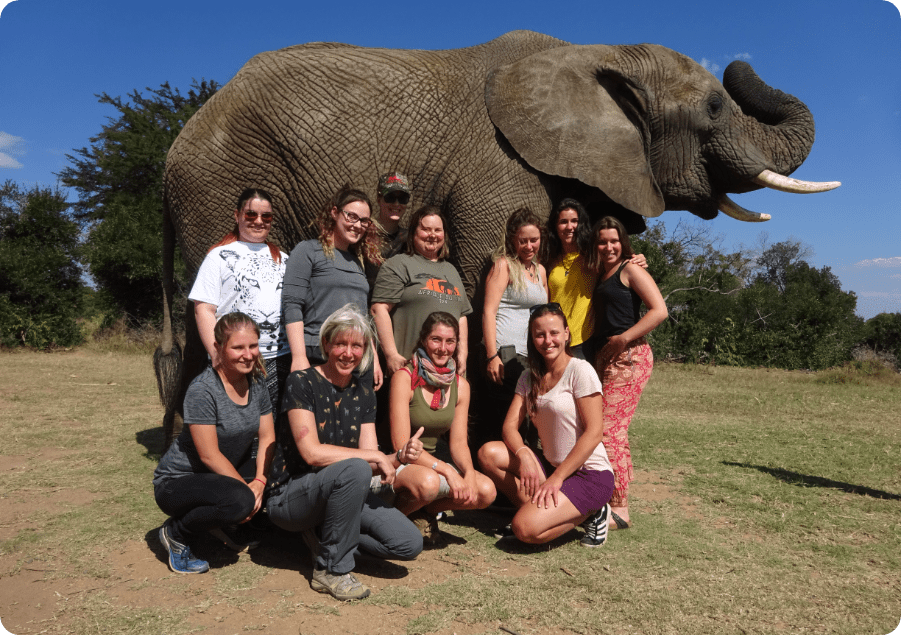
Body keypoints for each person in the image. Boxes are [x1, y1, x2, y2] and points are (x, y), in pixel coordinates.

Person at [266, 304, 423, 601]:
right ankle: (331, 570)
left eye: (356, 345)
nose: (348, 353)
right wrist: (374, 458)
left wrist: (399, 457)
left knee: (408, 543)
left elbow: (371, 458)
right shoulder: (301, 382)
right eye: (340, 344)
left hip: (342, 492)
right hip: (291, 495)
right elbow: (311, 453)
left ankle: (326, 540)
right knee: (357, 468)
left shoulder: (363, 394)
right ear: (326, 344)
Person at [478, 303, 615, 548]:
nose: (547, 340)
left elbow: (595, 433)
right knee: (488, 453)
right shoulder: (528, 377)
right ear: (532, 338)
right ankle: (540, 509)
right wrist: (525, 455)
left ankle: (593, 513)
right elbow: (509, 427)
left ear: (566, 333)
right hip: (552, 468)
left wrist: (558, 479)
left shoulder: (580, 371)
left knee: (524, 529)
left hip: (589, 474)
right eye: (540, 334)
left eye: (554, 333)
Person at [154, 312, 276, 573]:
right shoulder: (203, 389)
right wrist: (246, 491)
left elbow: (268, 437)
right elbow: (209, 455)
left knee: (276, 471)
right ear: (218, 348)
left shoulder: (257, 381)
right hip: (179, 482)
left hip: (217, 474)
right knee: (240, 501)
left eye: (253, 346)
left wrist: (260, 482)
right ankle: (176, 532)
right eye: (238, 347)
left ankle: (229, 525)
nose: (248, 354)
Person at [585, 217, 668, 531]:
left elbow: (659, 310)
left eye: (614, 241)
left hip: (630, 358)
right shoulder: (602, 272)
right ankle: (606, 497)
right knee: (605, 430)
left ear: (623, 243)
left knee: (610, 432)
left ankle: (620, 508)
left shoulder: (631, 269)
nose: (608, 247)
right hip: (608, 360)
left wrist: (623, 338)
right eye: (602, 241)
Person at [389, 312, 496, 541]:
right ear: (423, 340)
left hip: (433, 465)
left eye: (450, 341)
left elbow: (458, 443)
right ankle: (388, 520)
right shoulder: (405, 377)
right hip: (403, 462)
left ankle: (423, 514)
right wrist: (447, 470)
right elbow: (401, 445)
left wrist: (467, 474)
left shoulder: (460, 385)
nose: (443, 348)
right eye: (436, 339)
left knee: (485, 491)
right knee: (429, 484)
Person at [189, 189, 290, 424]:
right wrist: (217, 354)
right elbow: (203, 308)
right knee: (236, 428)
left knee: (273, 432)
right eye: (251, 214)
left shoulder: (284, 259)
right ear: (237, 215)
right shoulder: (218, 256)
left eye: (266, 217)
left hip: (279, 357)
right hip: (235, 359)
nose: (258, 221)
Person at [282, 185, 385, 389]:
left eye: (364, 221)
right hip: (318, 355)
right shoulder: (308, 250)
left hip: (357, 359)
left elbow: (362, 315)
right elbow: (291, 305)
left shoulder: (357, 261)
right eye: (351, 217)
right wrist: (299, 356)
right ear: (335, 213)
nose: (357, 225)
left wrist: (373, 358)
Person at [371, 205, 472, 377]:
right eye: (425, 229)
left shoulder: (451, 270)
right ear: (413, 233)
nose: (432, 235)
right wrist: (391, 355)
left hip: (447, 373)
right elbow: (378, 309)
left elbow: (461, 316)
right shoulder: (398, 264)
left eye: (437, 230)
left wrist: (463, 354)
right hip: (409, 371)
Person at [544, 199, 646, 361]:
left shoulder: (593, 257)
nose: (569, 227)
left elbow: (619, 261)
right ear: (556, 227)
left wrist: (637, 258)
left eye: (574, 221)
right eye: (563, 222)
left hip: (584, 342)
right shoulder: (550, 261)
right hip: (555, 340)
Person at [481, 208, 548, 440]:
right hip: (507, 355)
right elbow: (489, 312)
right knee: (508, 418)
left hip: (534, 355)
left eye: (534, 240)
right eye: (523, 241)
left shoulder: (540, 271)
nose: (529, 246)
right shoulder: (503, 266)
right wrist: (492, 355)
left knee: (531, 418)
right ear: (513, 240)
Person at [375, 172, 411, 260]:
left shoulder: (410, 239)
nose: (396, 203)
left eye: (403, 198)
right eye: (390, 197)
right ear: (379, 200)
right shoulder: (364, 233)